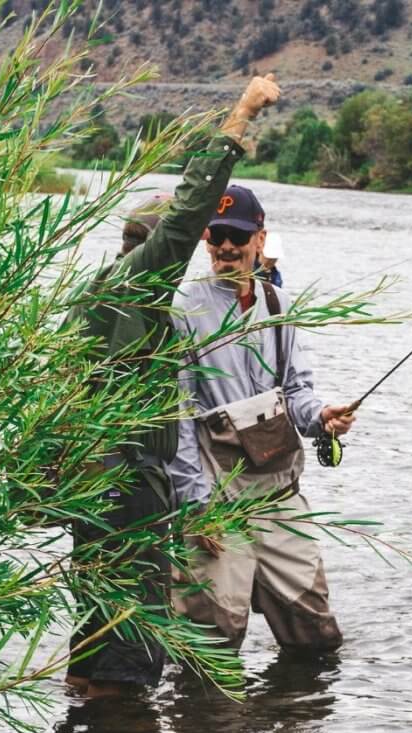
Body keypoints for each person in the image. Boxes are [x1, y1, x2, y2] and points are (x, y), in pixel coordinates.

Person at [64, 75, 281, 697]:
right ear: (160, 246)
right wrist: (240, 116)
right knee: (137, 633)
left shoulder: (94, 292)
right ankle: (120, 729)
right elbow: (191, 206)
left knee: (98, 608)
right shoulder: (146, 279)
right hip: (125, 480)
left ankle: (85, 719)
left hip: (89, 479)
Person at [167, 184, 355, 655]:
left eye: (238, 235)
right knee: (213, 640)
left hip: (277, 495)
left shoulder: (279, 306)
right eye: (218, 235)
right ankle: (205, 727)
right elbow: (180, 416)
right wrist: (196, 507)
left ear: (259, 238)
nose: (226, 246)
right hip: (214, 499)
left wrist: (321, 418)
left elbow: (296, 392)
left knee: (316, 634)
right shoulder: (183, 309)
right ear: (206, 239)